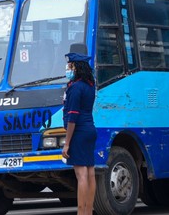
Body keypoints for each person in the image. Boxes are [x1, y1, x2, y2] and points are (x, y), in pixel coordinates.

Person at [61, 52, 97, 215]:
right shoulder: (90, 85)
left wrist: (67, 143)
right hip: (90, 130)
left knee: (81, 174)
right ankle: (88, 211)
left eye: (71, 66)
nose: (69, 69)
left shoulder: (75, 88)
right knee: (90, 172)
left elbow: (73, 115)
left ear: (77, 67)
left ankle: (81, 212)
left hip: (79, 133)